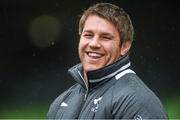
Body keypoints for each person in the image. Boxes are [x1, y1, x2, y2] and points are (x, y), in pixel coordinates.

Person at [47, 2, 168, 119]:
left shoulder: (138, 102)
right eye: (88, 35)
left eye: (105, 37)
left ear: (125, 46)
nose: (94, 44)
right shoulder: (62, 102)